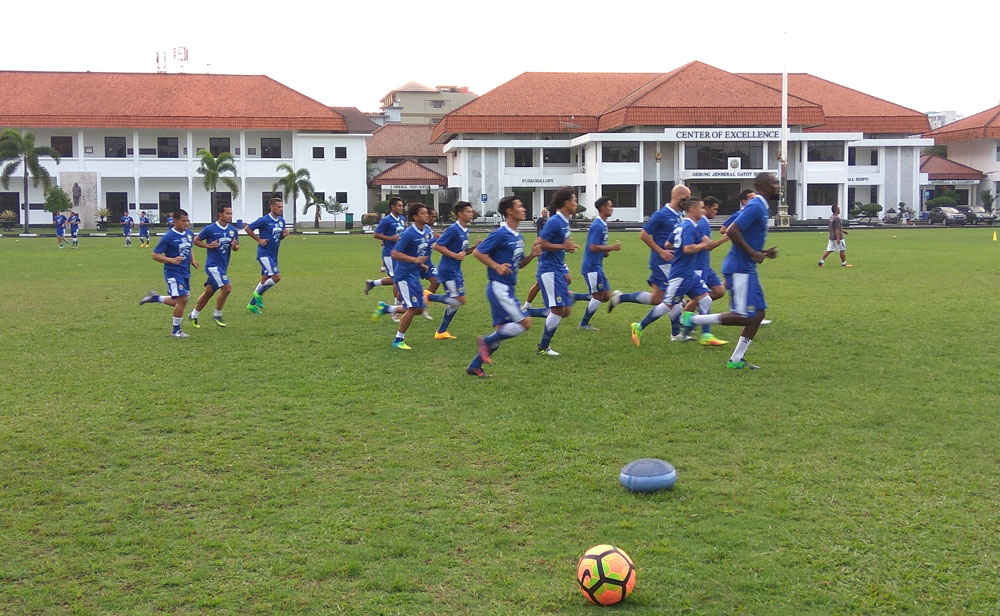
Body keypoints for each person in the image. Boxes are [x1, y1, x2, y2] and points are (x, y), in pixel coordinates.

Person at [680, 172, 779, 369]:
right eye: (774, 183)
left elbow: (746, 235)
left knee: (758, 314)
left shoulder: (762, 206)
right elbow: (732, 230)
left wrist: (762, 252)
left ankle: (735, 360)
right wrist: (752, 253)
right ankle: (694, 319)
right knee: (743, 315)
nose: (778, 186)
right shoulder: (756, 205)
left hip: (747, 267)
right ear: (763, 186)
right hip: (740, 268)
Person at [465, 195, 541, 377]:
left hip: (507, 287)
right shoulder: (501, 233)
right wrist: (496, 266)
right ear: (509, 211)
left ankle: (475, 367)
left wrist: (532, 255)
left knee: (502, 332)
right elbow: (478, 252)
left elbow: (519, 264)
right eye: (520, 206)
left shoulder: (519, 237)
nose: (523, 209)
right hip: (499, 288)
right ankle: (485, 341)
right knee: (525, 323)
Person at [626, 185, 689, 345]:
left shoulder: (680, 214)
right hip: (662, 262)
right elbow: (643, 234)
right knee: (673, 297)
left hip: (673, 262)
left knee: (659, 298)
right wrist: (661, 251)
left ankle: (621, 297)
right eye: (685, 198)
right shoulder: (661, 214)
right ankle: (673, 333)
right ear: (676, 195)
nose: (687, 202)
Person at [372, 202, 433, 349]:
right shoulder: (409, 233)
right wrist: (414, 260)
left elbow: (417, 252)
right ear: (415, 217)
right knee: (412, 308)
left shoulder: (426, 231)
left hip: (414, 273)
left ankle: (387, 309)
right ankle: (398, 340)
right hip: (404, 275)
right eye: (423, 213)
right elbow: (395, 253)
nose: (427, 216)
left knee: (418, 308)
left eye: (427, 213)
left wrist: (421, 264)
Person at [535, 186, 580, 356]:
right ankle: (543, 347)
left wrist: (567, 248)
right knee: (558, 310)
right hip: (549, 270)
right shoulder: (555, 221)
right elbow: (541, 243)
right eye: (574, 200)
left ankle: (523, 313)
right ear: (566, 202)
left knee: (565, 311)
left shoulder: (564, 221)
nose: (576, 203)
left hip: (558, 269)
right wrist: (563, 246)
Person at [139, 209, 199, 338]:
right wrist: (172, 260)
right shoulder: (168, 237)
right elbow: (155, 255)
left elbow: (189, 247)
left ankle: (154, 298)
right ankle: (176, 330)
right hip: (173, 272)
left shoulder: (189, 234)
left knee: (180, 301)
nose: (186, 223)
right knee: (182, 299)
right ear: (175, 221)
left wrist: (193, 259)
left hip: (185, 272)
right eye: (183, 221)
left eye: (187, 220)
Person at [425, 201, 480, 339]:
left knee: (456, 303)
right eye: (468, 211)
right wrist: (454, 255)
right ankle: (428, 296)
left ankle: (441, 332)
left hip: (456, 270)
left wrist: (474, 247)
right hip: (448, 270)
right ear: (460, 214)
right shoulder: (453, 229)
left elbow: (462, 252)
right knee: (459, 300)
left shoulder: (465, 230)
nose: (471, 213)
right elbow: (437, 246)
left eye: (471, 211)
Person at [188, 204, 240, 328]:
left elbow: (237, 247)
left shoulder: (233, 230)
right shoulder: (210, 229)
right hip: (213, 265)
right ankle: (217, 314)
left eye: (231, 213)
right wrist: (208, 246)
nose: (230, 216)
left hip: (223, 266)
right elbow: (196, 240)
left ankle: (193, 315)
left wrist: (234, 246)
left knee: (208, 292)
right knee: (227, 288)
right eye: (227, 213)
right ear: (220, 214)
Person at [689, 196, 729, 346]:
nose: (716, 212)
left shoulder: (703, 222)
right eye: (715, 209)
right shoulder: (702, 223)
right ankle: (688, 326)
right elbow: (708, 246)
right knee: (702, 298)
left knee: (719, 291)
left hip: (706, 266)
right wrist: (724, 239)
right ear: (705, 207)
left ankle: (689, 318)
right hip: (697, 266)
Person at [578, 197, 622, 331]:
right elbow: (592, 247)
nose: (612, 208)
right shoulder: (597, 225)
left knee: (606, 296)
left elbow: (596, 247)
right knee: (598, 296)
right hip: (591, 266)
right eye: (609, 206)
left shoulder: (603, 224)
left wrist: (604, 252)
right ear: (602, 208)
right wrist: (611, 248)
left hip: (597, 265)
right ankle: (584, 324)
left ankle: (575, 296)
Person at [244, 197, 289, 314]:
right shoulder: (264, 220)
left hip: (273, 254)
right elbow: (247, 229)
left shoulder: (281, 221)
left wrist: (284, 235)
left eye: (282, 207)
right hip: (264, 254)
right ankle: (258, 294)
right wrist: (258, 239)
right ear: (272, 207)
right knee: (276, 277)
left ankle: (251, 305)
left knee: (264, 279)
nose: (281, 209)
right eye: (278, 207)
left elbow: (278, 237)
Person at [364, 196, 405, 296]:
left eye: (402, 206)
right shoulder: (387, 220)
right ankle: (395, 307)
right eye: (399, 206)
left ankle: (372, 283)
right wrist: (390, 238)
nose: (402, 208)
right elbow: (376, 234)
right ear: (392, 207)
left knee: (399, 277)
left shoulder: (402, 219)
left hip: (400, 253)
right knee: (397, 278)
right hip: (389, 253)